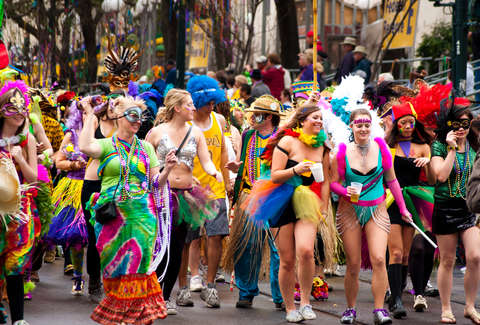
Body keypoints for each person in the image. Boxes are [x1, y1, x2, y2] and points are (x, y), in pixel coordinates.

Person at [79, 96, 173, 324]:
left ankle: (135, 317)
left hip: (141, 216)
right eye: (133, 116)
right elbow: (84, 146)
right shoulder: (105, 145)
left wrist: (167, 169)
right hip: (111, 218)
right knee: (114, 266)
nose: (138, 122)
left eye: (140, 118)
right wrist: (91, 114)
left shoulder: (146, 148)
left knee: (139, 265)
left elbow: (155, 184)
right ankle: (118, 314)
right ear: (118, 117)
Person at [243, 100, 334, 322]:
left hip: (308, 201)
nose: (319, 121)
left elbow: (325, 181)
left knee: (306, 251)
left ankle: (305, 302)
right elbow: (274, 175)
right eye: (315, 118)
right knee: (287, 259)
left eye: (321, 119)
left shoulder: (322, 146)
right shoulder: (287, 142)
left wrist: (323, 205)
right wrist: (295, 168)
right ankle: (290, 307)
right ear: (302, 121)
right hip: (281, 200)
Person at [330, 108, 412, 325]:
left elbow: (392, 181)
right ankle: (350, 309)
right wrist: (343, 191)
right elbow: (332, 182)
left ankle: (379, 309)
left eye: (367, 124)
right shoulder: (341, 152)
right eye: (359, 125)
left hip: (377, 209)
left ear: (371, 126)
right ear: (352, 126)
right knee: (354, 263)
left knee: (378, 258)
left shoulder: (382, 148)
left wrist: (403, 209)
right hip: (349, 210)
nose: (364, 128)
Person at [146, 88, 222, 315]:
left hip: (185, 197)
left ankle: (165, 297)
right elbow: (146, 165)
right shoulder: (155, 133)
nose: (193, 108)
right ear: (177, 108)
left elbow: (206, 162)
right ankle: (154, 292)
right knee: (161, 246)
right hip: (161, 195)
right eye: (188, 105)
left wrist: (215, 173)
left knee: (178, 247)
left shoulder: (196, 133)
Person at [224, 95, 284, 310]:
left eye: (256, 114)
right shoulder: (247, 135)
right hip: (249, 196)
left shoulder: (282, 137)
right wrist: (235, 169)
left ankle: (281, 296)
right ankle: (246, 291)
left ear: (268, 117)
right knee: (247, 246)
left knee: (280, 250)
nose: (251, 117)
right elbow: (241, 163)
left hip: (277, 199)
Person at [181, 75, 230, 308]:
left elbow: (222, 153)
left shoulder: (219, 120)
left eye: (214, 102)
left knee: (216, 235)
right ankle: (187, 282)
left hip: (215, 189)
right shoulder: (185, 124)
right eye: (208, 102)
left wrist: (227, 179)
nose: (212, 106)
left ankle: (210, 286)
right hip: (190, 190)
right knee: (189, 238)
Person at [430, 100, 480, 324]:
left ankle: (470, 306)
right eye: (456, 124)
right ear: (448, 124)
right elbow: (440, 175)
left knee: (475, 257)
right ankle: (446, 307)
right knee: (448, 260)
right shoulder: (439, 145)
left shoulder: (475, 144)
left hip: (469, 209)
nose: (461, 128)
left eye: (465, 124)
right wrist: (451, 148)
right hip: (445, 207)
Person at [384, 102, 435, 317]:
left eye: (411, 122)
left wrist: (427, 163)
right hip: (391, 200)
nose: (407, 126)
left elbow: (432, 180)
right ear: (396, 124)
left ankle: (399, 290)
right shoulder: (387, 145)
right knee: (395, 252)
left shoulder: (423, 146)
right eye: (403, 122)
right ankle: (395, 300)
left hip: (414, 201)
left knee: (405, 254)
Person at [0, 81, 38, 325]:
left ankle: (18, 319)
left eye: (23, 108)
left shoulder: (27, 140)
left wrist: (20, 160)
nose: (20, 113)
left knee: (15, 265)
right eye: (14, 108)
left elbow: (34, 176)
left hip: (18, 212)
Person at [46, 98, 89, 296]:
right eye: (86, 112)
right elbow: (58, 161)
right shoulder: (71, 135)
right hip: (73, 189)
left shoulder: (105, 135)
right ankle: (78, 277)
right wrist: (73, 165)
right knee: (76, 235)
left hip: (98, 188)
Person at [80, 96, 117, 303]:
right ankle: (94, 280)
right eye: (113, 102)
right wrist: (89, 112)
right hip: (94, 186)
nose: (115, 107)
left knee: (114, 235)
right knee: (95, 237)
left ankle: (111, 279)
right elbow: (84, 144)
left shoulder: (123, 124)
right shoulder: (95, 121)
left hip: (114, 185)